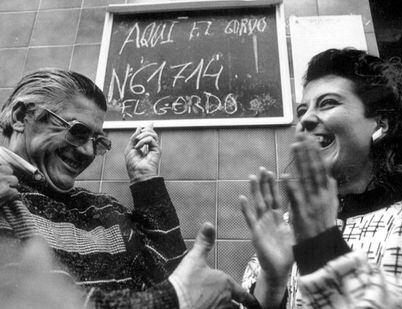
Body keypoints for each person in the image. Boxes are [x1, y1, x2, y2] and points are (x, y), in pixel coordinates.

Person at [0, 68, 258, 309]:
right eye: (77, 131)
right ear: (21, 117)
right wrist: (175, 297)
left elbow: (172, 279)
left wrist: (145, 182)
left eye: (97, 141)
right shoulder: (4, 198)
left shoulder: (102, 209)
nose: (88, 151)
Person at [240, 48, 402, 308]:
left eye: (328, 103)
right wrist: (272, 281)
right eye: (302, 110)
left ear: (380, 124)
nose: (306, 119)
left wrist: (322, 248)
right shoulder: (287, 227)